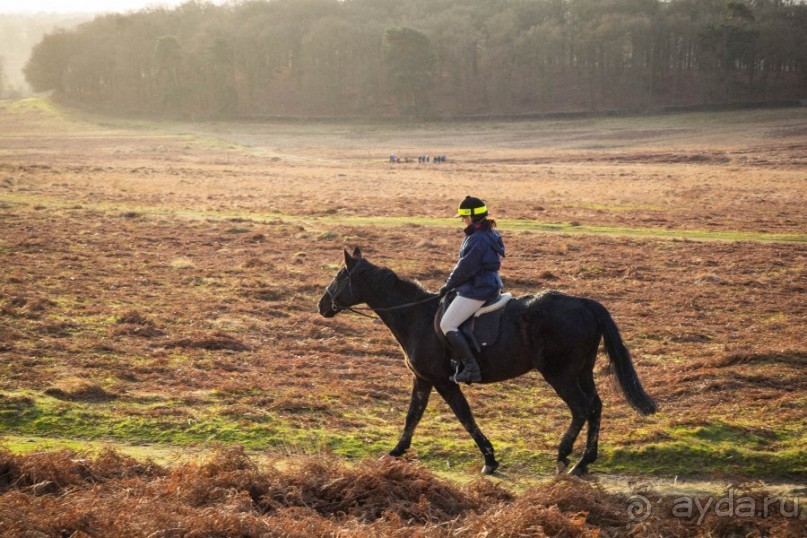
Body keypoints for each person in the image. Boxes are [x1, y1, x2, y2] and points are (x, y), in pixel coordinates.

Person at [438, 196, 505, 384]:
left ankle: (471, 369)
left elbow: (465, 267)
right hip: (487, 283)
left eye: (464, 217)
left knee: (447, 324)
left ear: (473, 217)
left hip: (478, 288)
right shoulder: (487, 233)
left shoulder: (479, 238)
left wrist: (448, 285)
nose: (463, 220)